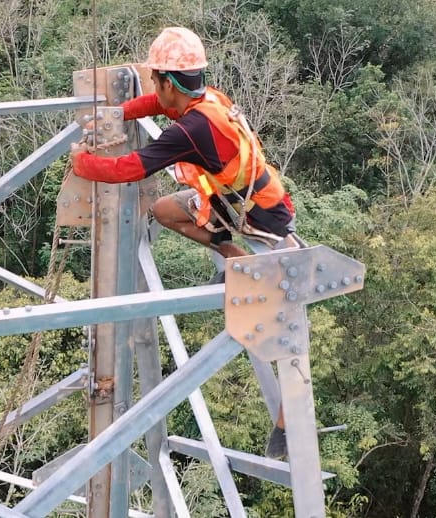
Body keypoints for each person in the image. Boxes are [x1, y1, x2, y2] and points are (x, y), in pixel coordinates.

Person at [69, 27, 297, 459]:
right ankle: (232, 258)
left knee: (283, 324)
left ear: (170, 81)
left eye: (158, 80)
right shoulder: (206, 98)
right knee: (166, 210)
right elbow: (156, 102)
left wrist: (84, 162)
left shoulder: (192, 128)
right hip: (234, 200)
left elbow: (130, 169)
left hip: (262, 217)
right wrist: (121, 113)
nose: (155, 89)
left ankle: (288, 425)